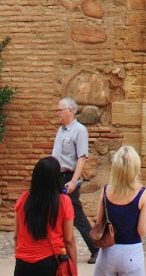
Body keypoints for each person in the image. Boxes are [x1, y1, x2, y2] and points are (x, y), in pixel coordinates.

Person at [93, 145, 146, 276]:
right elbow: (141, 230)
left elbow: (99, 221)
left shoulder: (106, 190)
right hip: (131, 251)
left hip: (108, 252)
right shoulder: (143, 194)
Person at [14, 157, 77, 276]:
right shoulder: (63, 202)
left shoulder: (23, 199)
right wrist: (73, 266)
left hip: (23, 264)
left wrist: (20, 257)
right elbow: (69, 240)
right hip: (51, 262)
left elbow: (16, 235)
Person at [52, 97, 96, 263]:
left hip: (69, 177)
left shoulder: (80, 130)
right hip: (57, 176)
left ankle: (95, 248)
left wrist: (73, 181)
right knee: (56, 214)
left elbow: (82, 157)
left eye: (60, 110)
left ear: (70, 111)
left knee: (76, 215)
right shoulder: (61, 130)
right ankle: (58, 249)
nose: (57, 114)